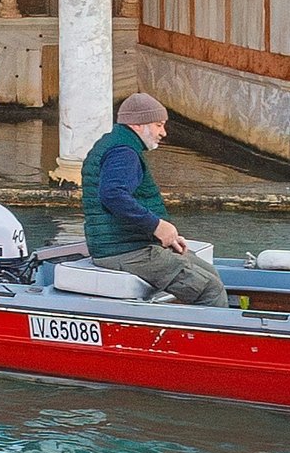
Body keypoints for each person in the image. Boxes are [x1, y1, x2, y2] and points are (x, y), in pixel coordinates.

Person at [78, 90, 224, 308]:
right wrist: (156, 226)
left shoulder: (116, 145)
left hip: (129, 244)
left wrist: (166, 235)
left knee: (209, 273)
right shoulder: (123, 152)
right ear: (138, 125)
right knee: (209, 289)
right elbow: (113, 195)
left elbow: (123, 198)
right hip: (124, 251)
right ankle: (213, 341)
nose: (163, 132)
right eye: (158, 125)